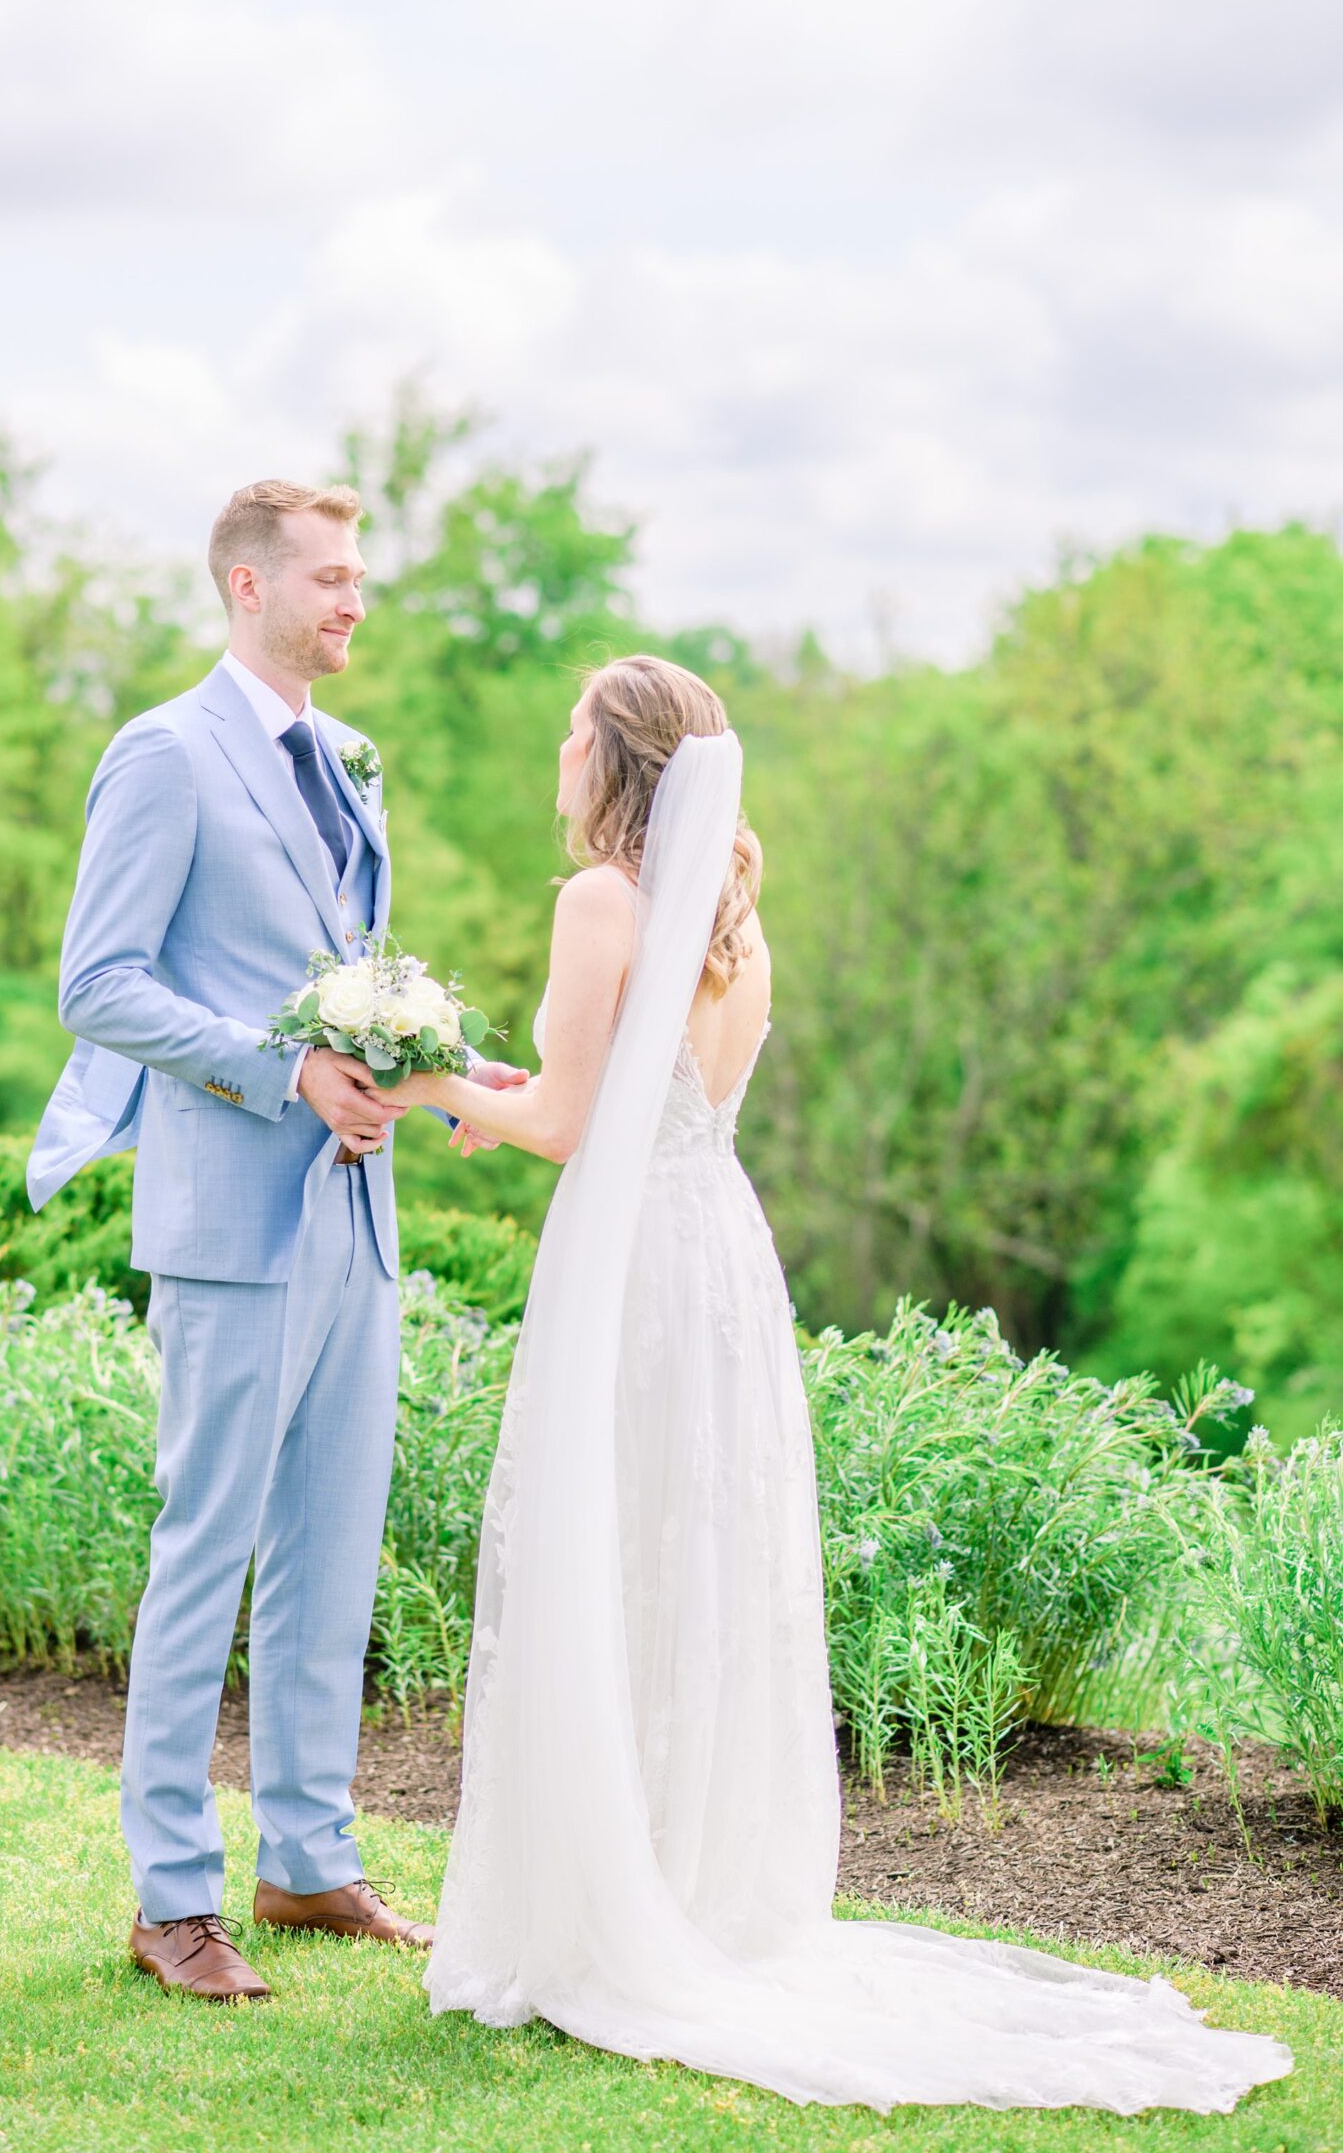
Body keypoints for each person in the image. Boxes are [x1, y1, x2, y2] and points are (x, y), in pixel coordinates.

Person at [370, 653, 1292, 2115]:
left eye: (567, 733)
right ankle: (690, 1882)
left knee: (613, 1550)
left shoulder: (603, 901)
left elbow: (560, 1119)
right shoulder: (739, 928)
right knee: (696, 1555)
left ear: (613, 761)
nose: (553, 751)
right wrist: (506, 1104)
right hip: (718, 1255)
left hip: (627, 1273)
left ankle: (614, 1905)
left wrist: (416, 1082)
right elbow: (627, 1106)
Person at [27, 478, 527, 2003]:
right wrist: (283, 1068)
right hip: (231, 1218)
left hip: (356, 1220)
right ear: (246, 589)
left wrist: (430, 1078)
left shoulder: (352, 764)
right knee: (209, 1551)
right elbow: (98, 985)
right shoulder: (164, 755)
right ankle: (171, 1899)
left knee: (331, 1555)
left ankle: (309, 1863)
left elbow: (348, 982)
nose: (351, 600)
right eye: (325, 576)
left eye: (358, 574)